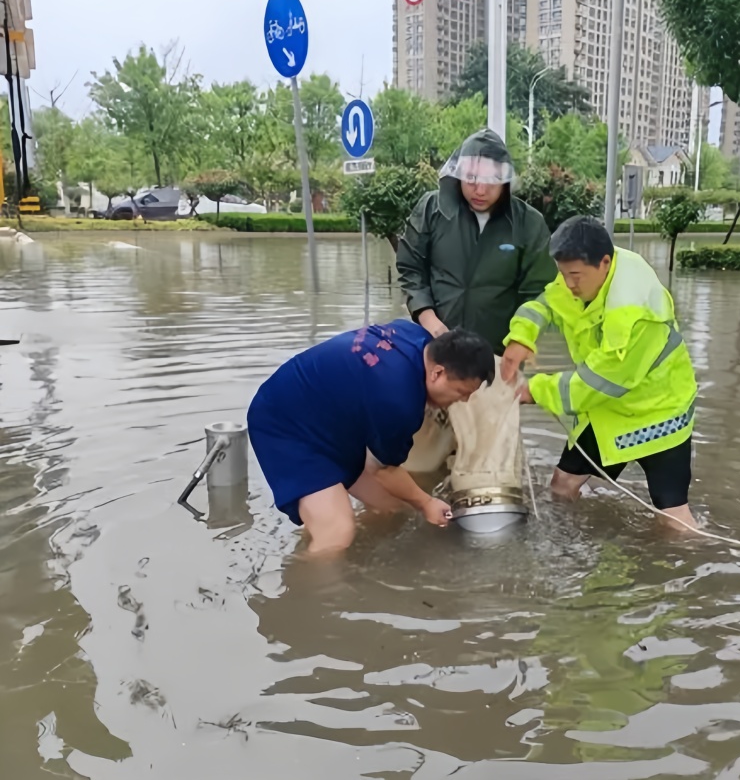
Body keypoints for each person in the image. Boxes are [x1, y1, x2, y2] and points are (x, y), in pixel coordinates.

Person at [500, 216, 700, 531]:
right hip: (609, 412)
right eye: (563, 274)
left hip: (660, 414)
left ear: (605, 263)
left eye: (575, 275)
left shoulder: (632, 311)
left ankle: (691, 559)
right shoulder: (580, 277)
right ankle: (569, 541)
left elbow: (601, 380)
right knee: (563, 484)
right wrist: (521, 337)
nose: (569, 284)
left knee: (673, 516)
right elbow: (545, 304)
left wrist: (534, 391)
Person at [247, 321, 495, 556]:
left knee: (392, 506)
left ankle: (348, 553)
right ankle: (309, 582)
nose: (463, 401)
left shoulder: (417, 337)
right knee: (336, 532)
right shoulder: (400, 400)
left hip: (328, 419)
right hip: (285, 422)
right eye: (461, 392)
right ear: (437, 372)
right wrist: (427, 502)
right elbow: (383, 470)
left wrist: (418, 501)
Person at [395, 128, 556, 474]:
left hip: (495, 357)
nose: (479, 190)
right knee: (419, 457)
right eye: (471, 180)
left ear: (505, 181)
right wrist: (430, 321)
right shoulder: (432, 210)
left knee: (488, 460)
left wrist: (522, 338)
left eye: (489, 182)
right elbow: (410, 268)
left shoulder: (528, 224)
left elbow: (542, 291)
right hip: (434, 350)